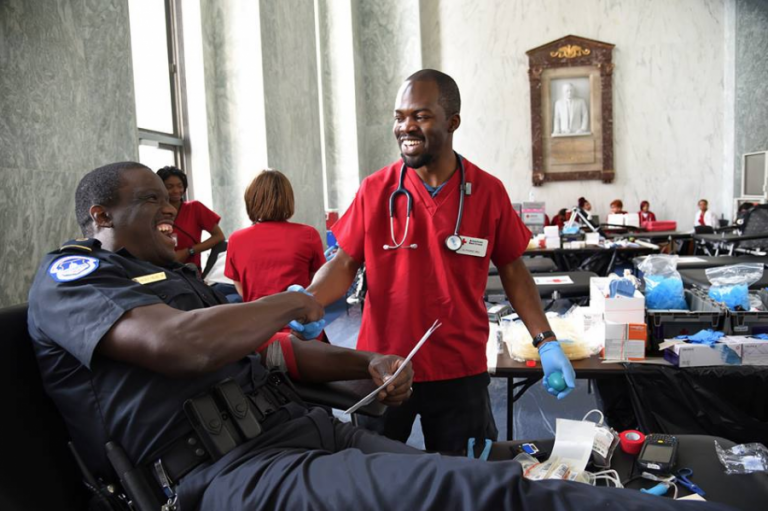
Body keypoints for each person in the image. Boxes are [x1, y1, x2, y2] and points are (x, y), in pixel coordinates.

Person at [26, 162, 725, 511]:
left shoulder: (178, 278)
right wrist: (294, 297)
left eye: (172, 199)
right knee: (470, 492)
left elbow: (282, 351)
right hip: (225, 472)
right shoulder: (74, 277)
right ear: (100, 214)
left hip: (298, 428)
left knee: (492, 472)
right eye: (155, 199)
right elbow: (180, 344)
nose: (174, 210)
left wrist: (368, 359)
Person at [303, 69, 576, 454]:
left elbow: (514, 272)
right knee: (373, 475)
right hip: (383, 368)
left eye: (420, 115)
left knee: (466, 479)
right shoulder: (376, 190)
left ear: (452, 122)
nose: (405, 127)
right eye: (399, 117)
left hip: (459, 370)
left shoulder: (486, 191)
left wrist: (546, 342)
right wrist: (309, 300)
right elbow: (345, 262)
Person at [225, 169, 325, 303]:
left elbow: (239, 282)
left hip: (256, 320)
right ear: (288, 199)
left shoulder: (236, 239)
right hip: (299, 319)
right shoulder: (308, 234)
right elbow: (318, 279)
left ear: (251, 199)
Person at [157, 165, 225, 269]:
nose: (176, 190)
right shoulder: (153, 212)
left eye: (180, 186)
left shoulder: (195, 208)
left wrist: (189, 251)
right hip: (161, 271)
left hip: (190, 272)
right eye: (169, 187)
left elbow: (219, 236)